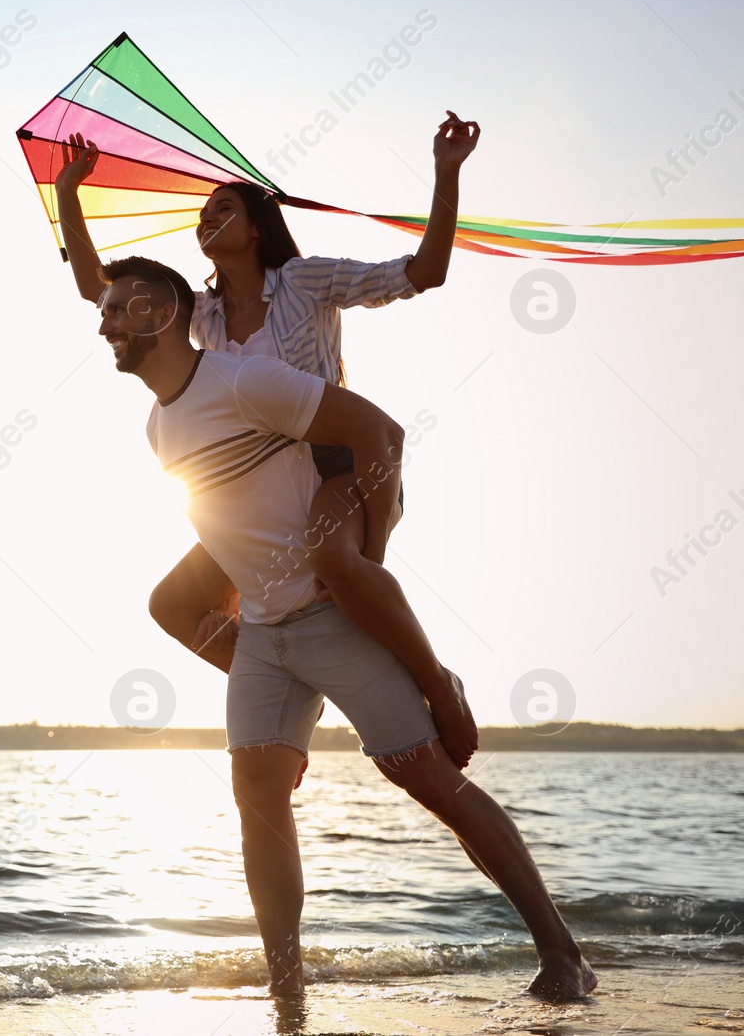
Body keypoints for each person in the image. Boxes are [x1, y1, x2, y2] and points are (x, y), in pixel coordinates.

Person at [93, 254, 597, 1001]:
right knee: (257, 798)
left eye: (120, 307)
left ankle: (563, 953)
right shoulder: (156, 428)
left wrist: (366, 553)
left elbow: (380, 433)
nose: (105, 322)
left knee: (427, 780)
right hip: (264, 637)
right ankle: (286, 984)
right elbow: (235, 525)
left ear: (162, 312)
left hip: (333, 617)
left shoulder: (241, 380)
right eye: (101, 310)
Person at [56, 113, 480, 783]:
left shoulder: (307, 282)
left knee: (332, 560)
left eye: (222, 209)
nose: (206, 220)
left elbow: (424, 272)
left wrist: (446, 171)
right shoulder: (201, 313)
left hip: (340, 467)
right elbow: (97, 287)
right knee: (172, 604)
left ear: (257, 226)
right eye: (201, 215)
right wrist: (69, 195)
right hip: (259, 500)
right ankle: (291, 676)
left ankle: (438, 684)